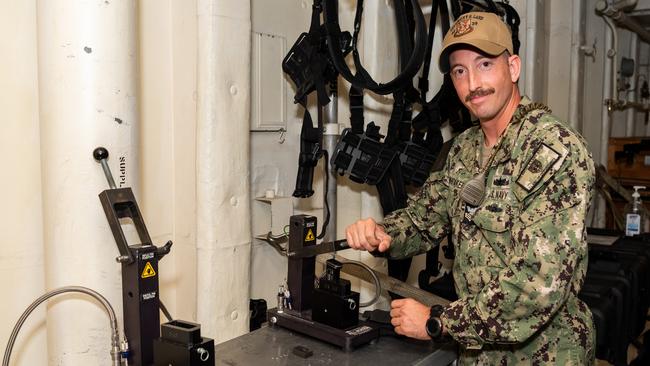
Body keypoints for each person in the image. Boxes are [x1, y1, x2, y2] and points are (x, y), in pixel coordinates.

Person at [345, 11, 596, 365]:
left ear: (513, 67)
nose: (472, 83)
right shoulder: (464, 149)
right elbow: (424, 218)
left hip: (544, 355)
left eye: (484, 65)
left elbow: (538, 285)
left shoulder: (552, 149)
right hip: (477, 352)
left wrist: (439, 322)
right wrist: (383, 233)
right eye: (460, 71)